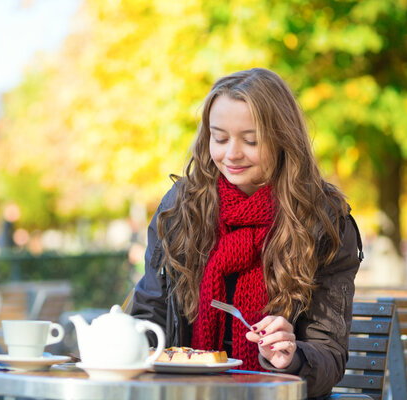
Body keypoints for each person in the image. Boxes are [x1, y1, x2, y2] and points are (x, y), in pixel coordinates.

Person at [130, 68, 363, 399]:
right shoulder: (183, 208)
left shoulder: (321, 220)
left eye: (251, 140)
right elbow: (148, 313)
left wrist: (292, 358)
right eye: (220, 138)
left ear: (283, 138)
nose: (231, 154)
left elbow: (329, 352)